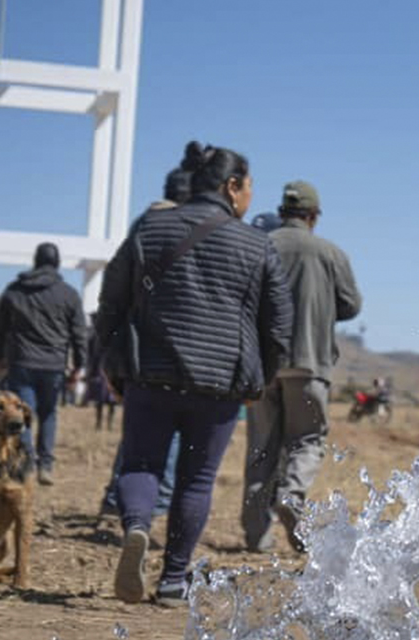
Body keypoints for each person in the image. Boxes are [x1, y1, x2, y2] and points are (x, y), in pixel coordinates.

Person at [96, 141, 291, 606]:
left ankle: (137, 529)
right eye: (247, 187)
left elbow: (111, 300)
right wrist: (259, 379)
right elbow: (280, 325)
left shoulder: (150, 227)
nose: (248, 197)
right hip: (219, 384)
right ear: (231, 186)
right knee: (196, 481)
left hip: (150, 375)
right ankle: (171, 582)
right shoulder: (256, 244)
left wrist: (113, 364)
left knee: (141, 464)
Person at [242, 179, 361, 554]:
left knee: (262, 447)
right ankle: (291, 495)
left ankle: (256, 536)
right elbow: (351, 305)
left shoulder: (261, 247)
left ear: (282, 213)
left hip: (264, 366)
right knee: (307, 439)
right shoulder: (330, 253)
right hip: (311, 364)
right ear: (313, 216)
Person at [97, 168, 191, 520]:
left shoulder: (142, 222)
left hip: (134, 344)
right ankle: (147, 511)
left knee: (137, 434)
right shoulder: (175, 227)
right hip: (166, 348)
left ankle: (115, 498)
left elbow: (114, 288)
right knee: (169, 436)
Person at [0, 243, 87, 487]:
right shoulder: (68, 294)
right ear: (57, 263)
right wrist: (79, 365)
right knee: (48, 415)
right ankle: (45, 465)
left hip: (21, 362)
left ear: (35, 261)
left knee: (22, 416)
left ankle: (27, 463)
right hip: (53, 365)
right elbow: (79, 334)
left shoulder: (14, 291)